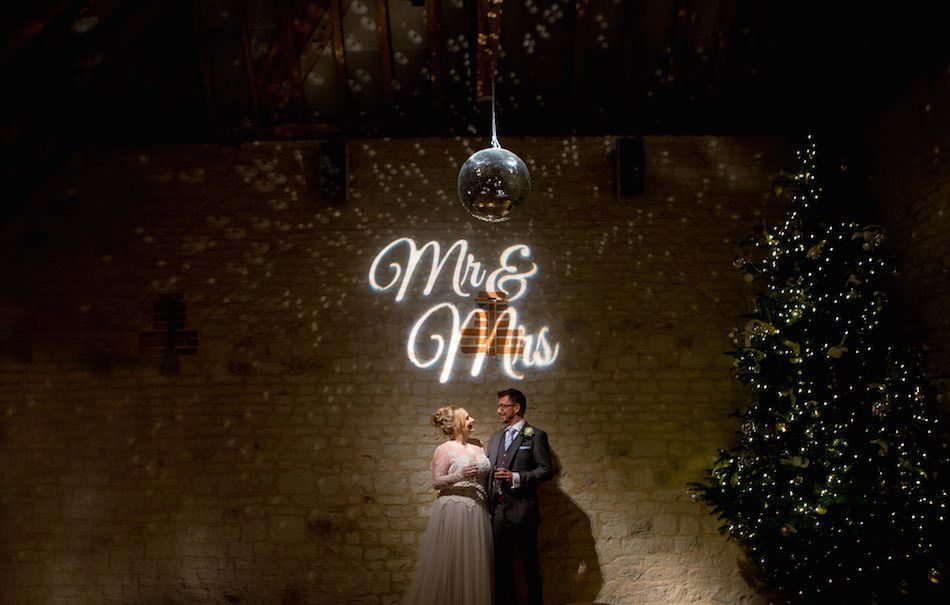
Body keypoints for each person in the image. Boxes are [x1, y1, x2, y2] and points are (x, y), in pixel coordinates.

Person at [401, 406, 493, 605]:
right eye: (468, 417)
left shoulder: (478, 445)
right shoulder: (443, 449)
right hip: (454, 508)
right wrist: (460, 474)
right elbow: (436, 482)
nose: (473, 419)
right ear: (458, 423)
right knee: (450, 561)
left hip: (477, 508)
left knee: (473, 563)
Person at [487, 388, 554, 605]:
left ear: (516, 408)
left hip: (524, 511)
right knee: (501, 568)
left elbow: (545, 469)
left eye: (503, 406)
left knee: (529, 567)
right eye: (498, 406)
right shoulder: (496, 437)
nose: (499, 411)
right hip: (498, 513)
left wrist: (516, 476)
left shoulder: (535, 435)